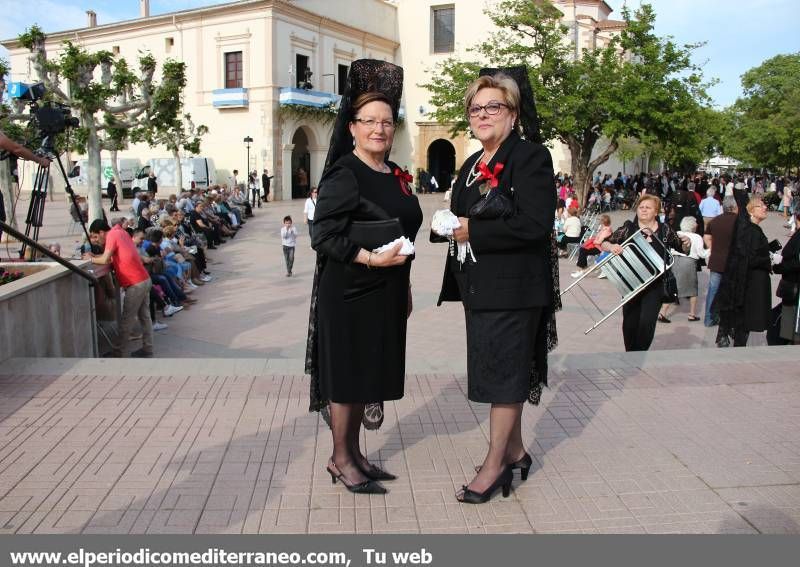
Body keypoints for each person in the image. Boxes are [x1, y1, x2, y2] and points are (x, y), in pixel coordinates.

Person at [436, 67, 559, 504]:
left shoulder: (530, 157)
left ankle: (495, 465)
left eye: (494, 106)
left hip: (516, 290)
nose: (483, 114)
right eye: (475, 107)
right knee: (496, 371)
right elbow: (462, 214)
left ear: (512, 112)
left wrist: (474, 232)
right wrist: (447, 224)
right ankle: (519, 451)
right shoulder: (472, 164)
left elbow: (536, 224)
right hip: (480, 289)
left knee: (504, 378)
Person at [305, 60, 423, 496]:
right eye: (369, 121)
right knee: (347, 377)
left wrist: (405, 283)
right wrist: (371, 260)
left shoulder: (393, 173)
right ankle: (340, 458)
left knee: (366, 375)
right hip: (351, 291)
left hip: (387, 290)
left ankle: (354, 454)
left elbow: (403, 230)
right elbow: (323, 235)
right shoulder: (344, 173)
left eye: (387, 122)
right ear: (351, 127)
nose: (379, 129)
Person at [600, 194, 688, 352]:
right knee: (629, 323)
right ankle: (631, 353)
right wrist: (611, 247)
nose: (644, 210)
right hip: (631, 284)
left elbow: (682, 247)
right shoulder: (628, 228)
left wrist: (687, 243)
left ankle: (637, 354)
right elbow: (605, 243)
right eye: (641, 207)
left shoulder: (665, 229)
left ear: (656, 211)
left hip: (655, 285)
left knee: (647, 322)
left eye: (648, 207)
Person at [85, 219, 153, 358]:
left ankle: (119, 351)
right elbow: (111, 258)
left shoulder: (112, 235)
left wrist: (90, 259)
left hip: (135, 283)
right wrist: (96, 256)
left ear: (102, 232)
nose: (95, 240)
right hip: (144, 279)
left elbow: (105, 260)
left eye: (96, 236)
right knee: (145, 317)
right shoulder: (120, 232)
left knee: (126, 319)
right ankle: (148, 348)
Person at [713, 195, 772, 347]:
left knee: (743, 325)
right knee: (744, 324)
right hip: (750, 284)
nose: (765, 208)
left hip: (749, 282)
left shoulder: (751, 229)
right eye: (760, 206)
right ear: (751, 211)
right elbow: (749, 258)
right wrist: (769, 260)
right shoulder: (751, 230)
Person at [659, 216, 709, 322]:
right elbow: (702, 254)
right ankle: (691, 314)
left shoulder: (677, 233)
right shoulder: (696, 237)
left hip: (674, 261)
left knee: (672, 287)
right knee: (692, 289)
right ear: (692, 225)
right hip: (689, 263)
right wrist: (711, 249)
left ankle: (663, 312)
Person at [703, 196, 739, 326]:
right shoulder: (739, 222)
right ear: (734, 207)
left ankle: (709, 318)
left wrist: (713, 248)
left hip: (717, 260)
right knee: (733, 291)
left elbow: (706, 237)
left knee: (713, 290)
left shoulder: (714, 221)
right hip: (733, 262)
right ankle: (729, 319)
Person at [771, 207, 800, 344]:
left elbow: (794, 262)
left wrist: (780, 264)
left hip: (794, 288)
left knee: (789, 324)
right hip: (792, 288)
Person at [571, 214, 612, 278]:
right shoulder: (605, 229)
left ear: (602, 222)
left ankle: (581, 269)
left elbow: (599, 241)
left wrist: (594, 241)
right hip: (598, 246)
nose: (599, 222)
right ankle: (582, 268)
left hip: (600, 248)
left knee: (583, 250)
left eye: (600, 220)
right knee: (583, 249)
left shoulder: (606, 230)